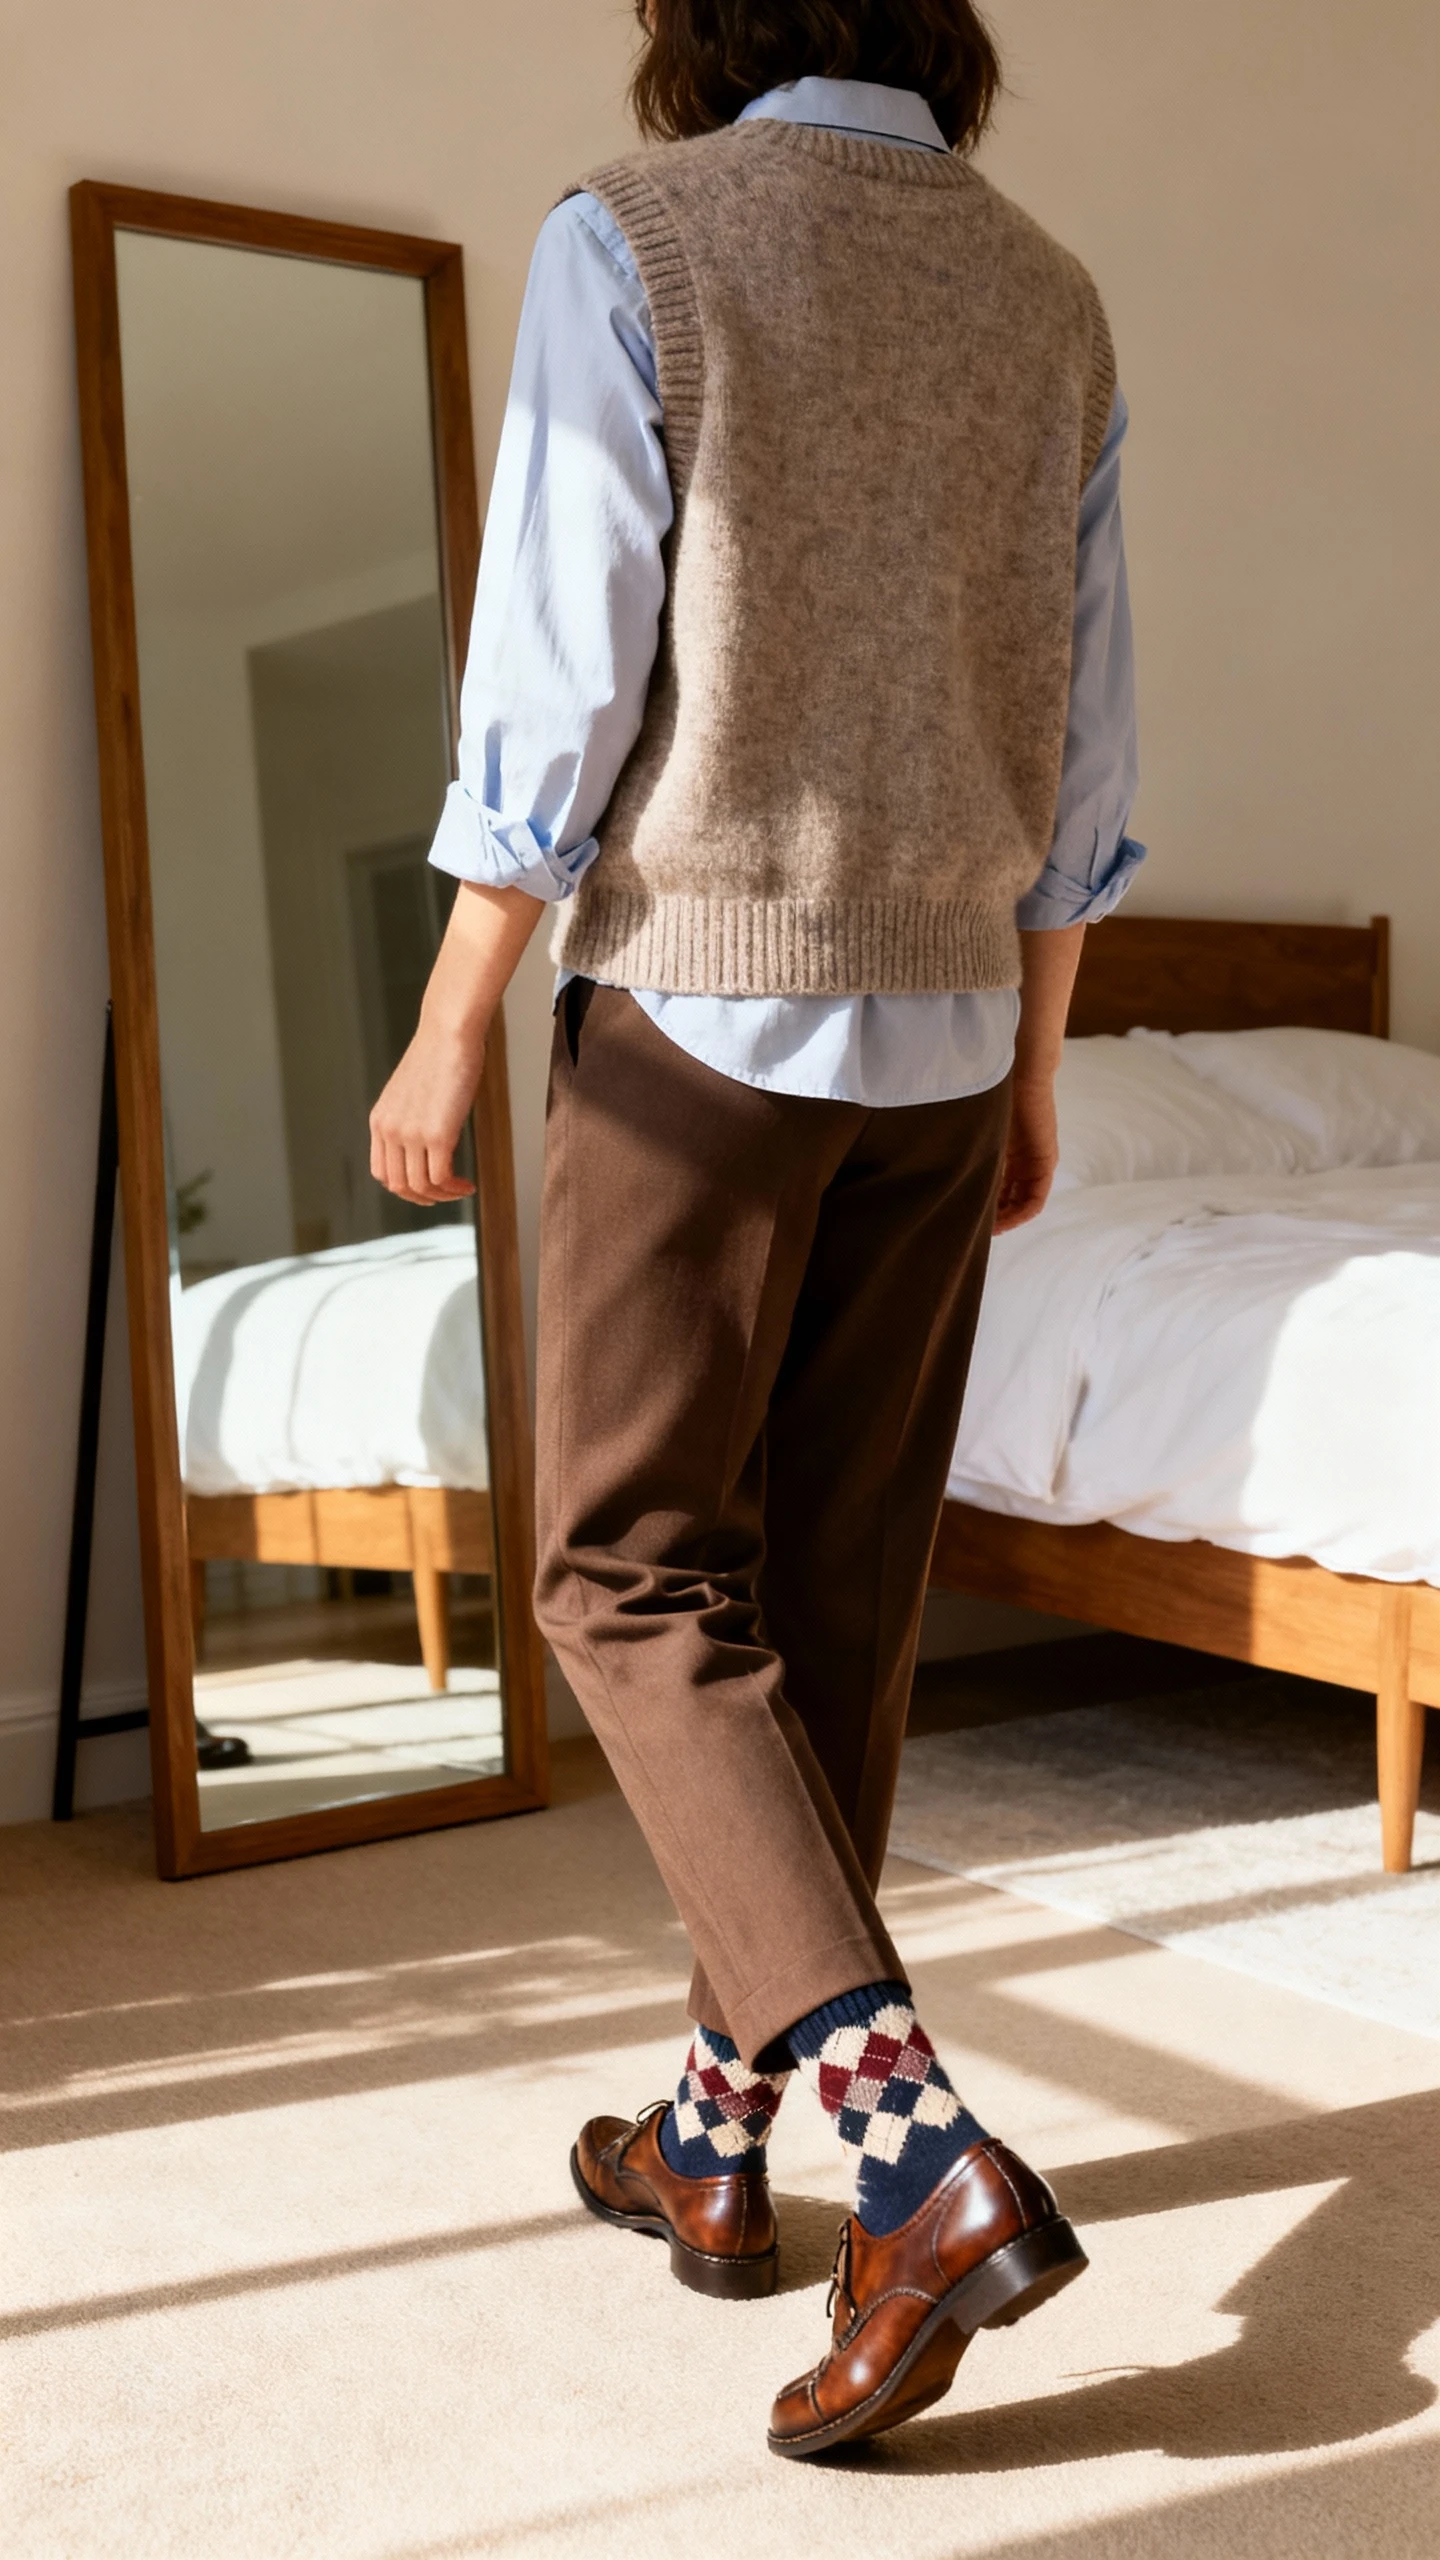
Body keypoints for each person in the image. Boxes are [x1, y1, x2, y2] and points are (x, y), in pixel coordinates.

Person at [371, 0, 1143, 2457]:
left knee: (621, 1571)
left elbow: (567, 665)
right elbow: (1088, 726)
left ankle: (909, 2157)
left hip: (702, 1011)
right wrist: (1032, 1061)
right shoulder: (1051, 294)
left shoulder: (642, 239)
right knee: (829, 1602)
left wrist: (453, 1014)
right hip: (942, 1025)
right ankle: (716, 2147)